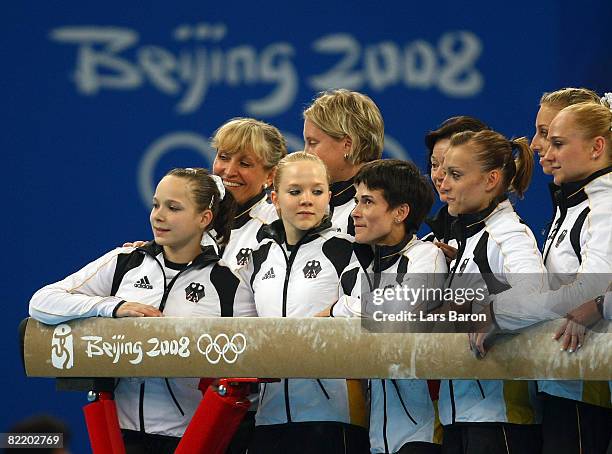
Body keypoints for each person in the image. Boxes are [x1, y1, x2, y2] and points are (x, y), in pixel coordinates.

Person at [29, 168, 255, 453]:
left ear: (203, 218)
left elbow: (258, 354)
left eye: (173, 208)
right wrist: (114, 307)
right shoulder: (125, 262)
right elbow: (41, 301)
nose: (158, 216)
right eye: (156, 204)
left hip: (191, 437)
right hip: (121, 434)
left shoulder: (227, 282)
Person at [491, 99, 612, 454]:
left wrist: (500, 316)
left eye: (557, 142)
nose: (543, 149)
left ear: (597, 146)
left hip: (587, 385)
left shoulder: (602, 204)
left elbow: (586, 289)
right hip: (567, 377)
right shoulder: (577, 202)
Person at [235, 151, 369, 454]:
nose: (306, 199)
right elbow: (239, 332)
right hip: (269, 420)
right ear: (275, 198)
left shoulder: (347, 252)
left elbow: (373, 307)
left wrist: (334, 313)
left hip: (334, 419)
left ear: (329, 197)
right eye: (295, 191)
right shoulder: (257, 260)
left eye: (317, 191)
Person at [436, 130, 547, 454]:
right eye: (443, 172)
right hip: (460, 412)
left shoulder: (507, 234)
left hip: (500, 421)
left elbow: (536, 295)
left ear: (490, 180)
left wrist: (492, 312)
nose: (444, 183)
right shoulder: (470, 237)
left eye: (455, 175)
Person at [329, 159, 447, 454]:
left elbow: (400, 312)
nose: (355, 212)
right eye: (356, 202)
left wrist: (338, 309)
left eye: (367, 202)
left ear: (400, 212)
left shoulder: (426, 256)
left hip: (422, 433)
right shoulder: (366, 269)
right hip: (378, 435)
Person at [303, 89, 384, 235]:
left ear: (348, 144)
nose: (306, 153)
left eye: (313, 143)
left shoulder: (379, 207)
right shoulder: (314, 201)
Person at [210, 117, 287, 271]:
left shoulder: (277, 226)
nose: (229, 171)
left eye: (244, 164)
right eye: (224, 157)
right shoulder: (196, 219)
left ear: (270, 176)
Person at [422, 116, 489, 253]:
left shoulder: (507, 237)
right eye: (434, 165)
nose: (439, 176)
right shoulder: (428, 245)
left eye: (451, 168)